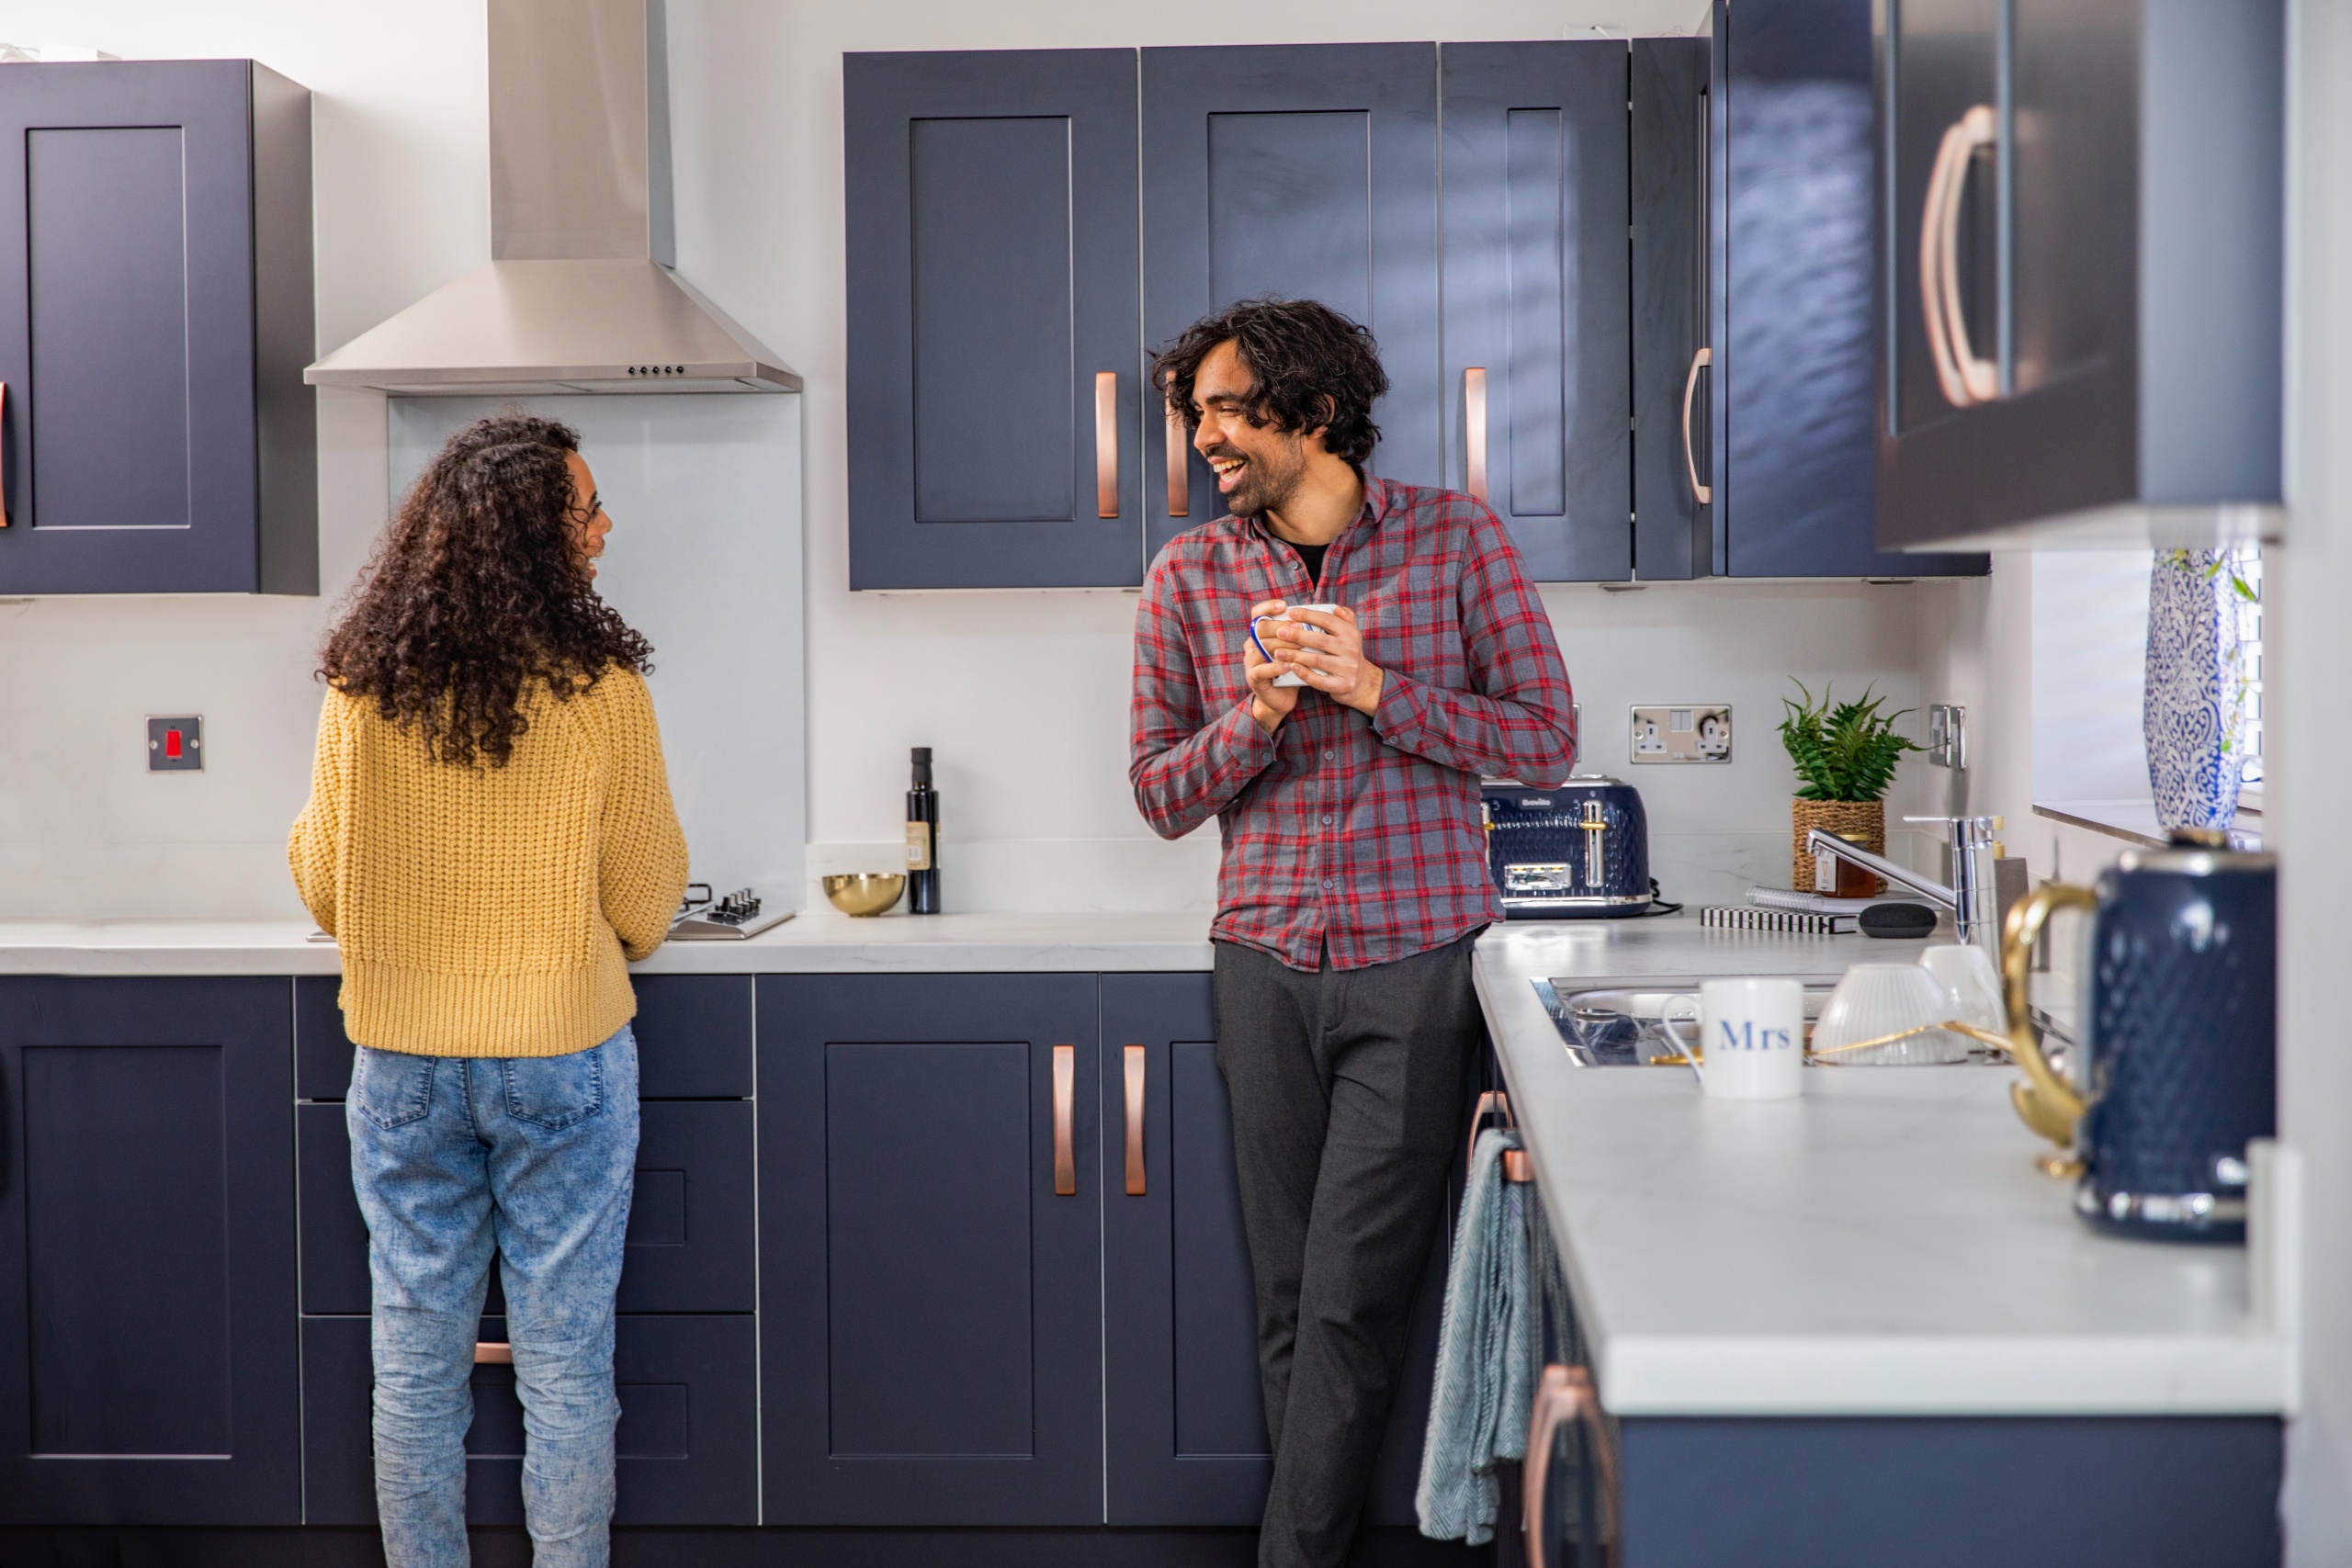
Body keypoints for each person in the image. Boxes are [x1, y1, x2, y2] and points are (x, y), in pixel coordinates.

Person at [1130, 299, 1577, 1568]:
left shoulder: (1451, 543)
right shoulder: (1189, 576)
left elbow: (1545, 741)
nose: (1204, 435)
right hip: (1262, 963)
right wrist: (1263, 708)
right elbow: (1162, 793)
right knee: (1292, 1302)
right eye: (1195, 411)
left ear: (1313, 410)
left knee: (1347, 1298)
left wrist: (1379, 690)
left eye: (1227, 406)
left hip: (1420, 966)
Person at [289, 413, 689, 1568]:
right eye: (587, 510)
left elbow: (325, 885)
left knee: (414, 1366)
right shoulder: (602, 691)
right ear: (530, 538)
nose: (606, 528)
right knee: (568, 1364)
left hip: (405, 1064)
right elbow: (649, 907)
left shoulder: (363, 685)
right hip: (562, 1058)